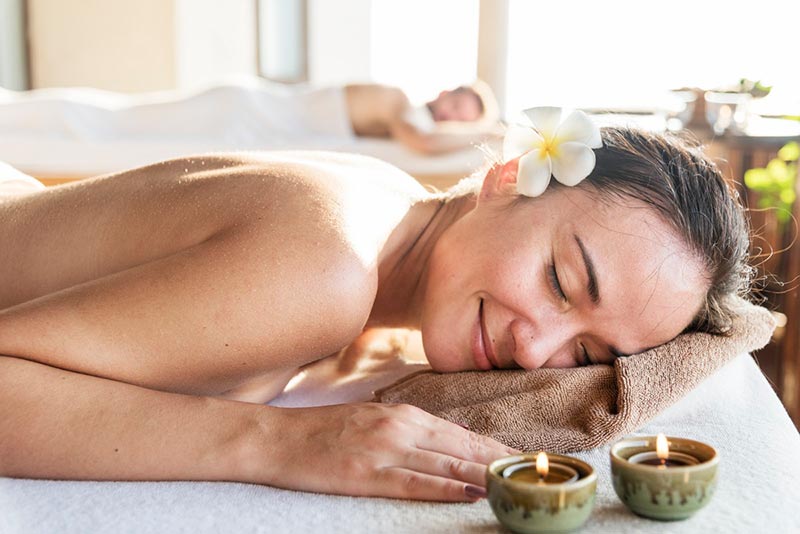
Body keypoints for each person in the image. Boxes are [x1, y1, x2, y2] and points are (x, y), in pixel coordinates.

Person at [0, 109, 751, 502]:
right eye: (561, 280)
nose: (535, 351)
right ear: (509, 174)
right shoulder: (330, 269)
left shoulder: (387, 213)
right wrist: (275, 442)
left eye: (584, 356)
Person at [0, 79, 501, 155]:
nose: (455, 117)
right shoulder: (402, 105)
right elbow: (421, 141)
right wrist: (491, 132)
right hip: (239, 117)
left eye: (465, 116)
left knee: (113, 121)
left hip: (242, 111)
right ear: (447, 93)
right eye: (461, 106)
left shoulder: (396, 99)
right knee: (105, 126)